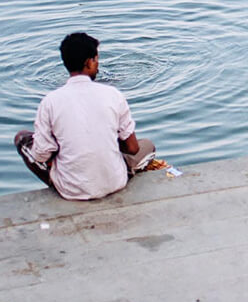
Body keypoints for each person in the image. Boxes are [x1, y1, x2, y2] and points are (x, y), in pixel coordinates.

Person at [13, 32, 158, 200]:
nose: (98, 65)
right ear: (89, 62)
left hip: (71, 190)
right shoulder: (113, 94)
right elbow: (133, 148)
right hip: (116, 181)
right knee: (148, 146)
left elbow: (41, 155)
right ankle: (109, 170)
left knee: (21, 138)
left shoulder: (50, 102)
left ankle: (60, 180)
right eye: (96, 60)